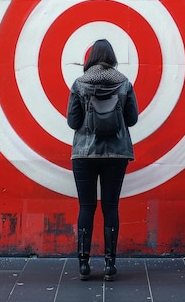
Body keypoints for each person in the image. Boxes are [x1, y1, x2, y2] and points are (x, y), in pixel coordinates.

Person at [66, 39, 139, 281]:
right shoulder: (125, 83)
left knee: (86, 207)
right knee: (111, 207)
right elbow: (132, 119)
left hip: (84, 155)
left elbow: (73, 122)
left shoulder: (79, 84)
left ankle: (84, 265)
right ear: (112, 57)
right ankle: (109, 265)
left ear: (91, 58)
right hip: (116, 154)